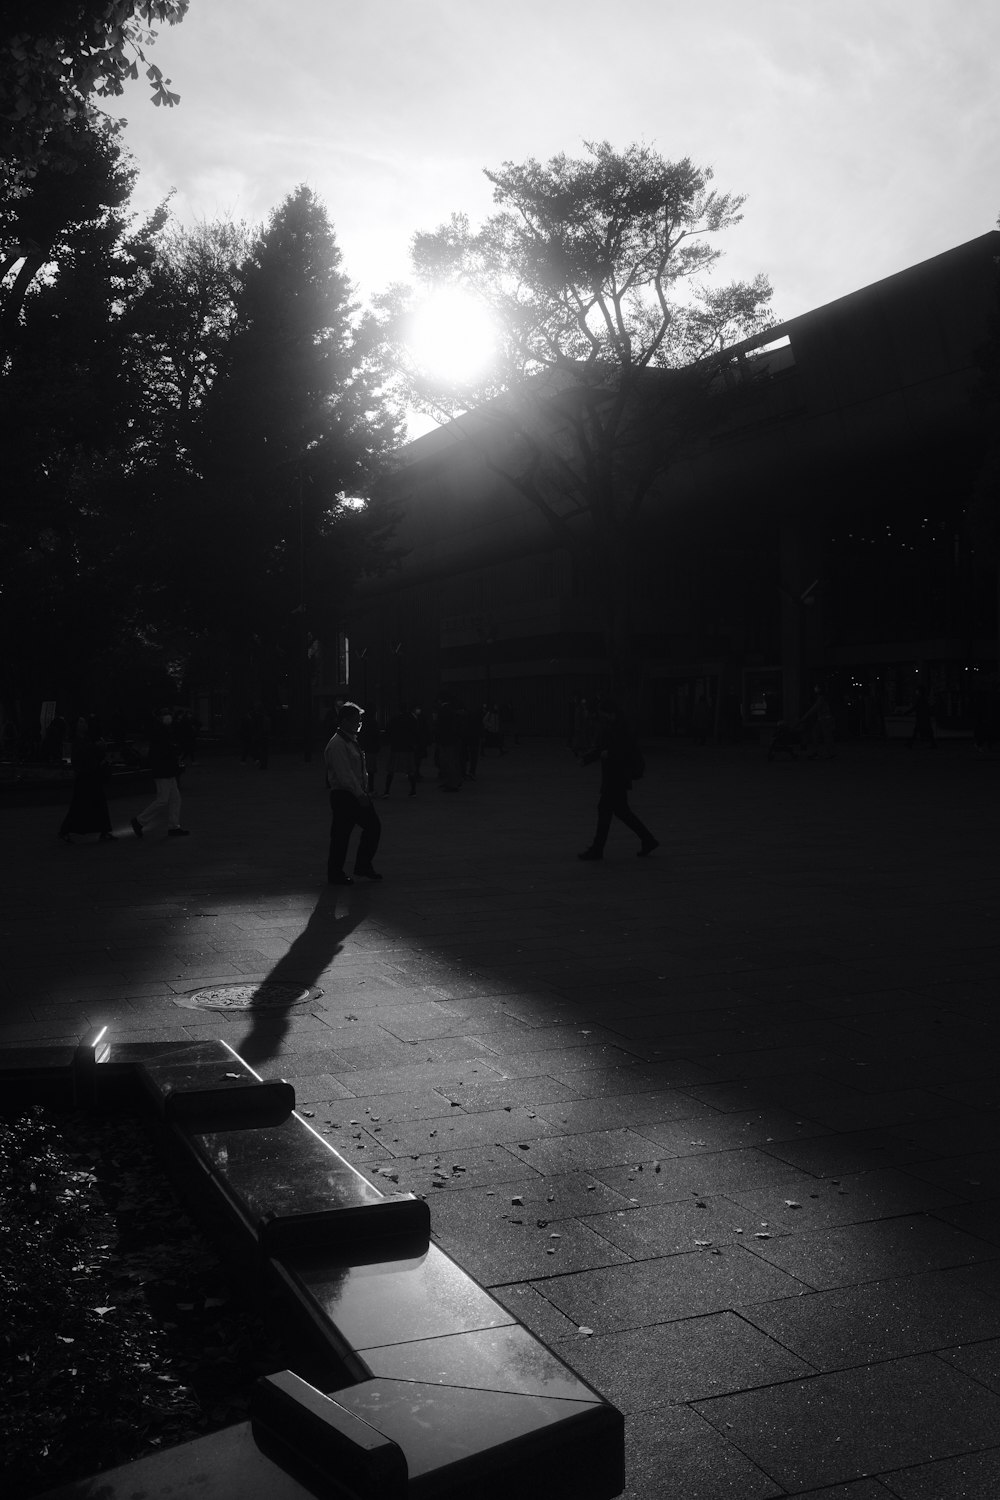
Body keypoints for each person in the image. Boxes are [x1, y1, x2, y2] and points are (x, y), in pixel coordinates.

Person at [577, 699, 658, 860]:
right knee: (621, 812)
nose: (602, 717)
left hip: (617, 777)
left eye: (604, 714)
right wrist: (587, 759)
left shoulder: (621, 728)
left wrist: (608, 754)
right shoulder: (614, 726)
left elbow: (623, 751)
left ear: (611, 713)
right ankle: (647, 840)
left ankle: (598, 849)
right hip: (615, 777)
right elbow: (603, 748)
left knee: (606, 810)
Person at [324, 702, 382, 884]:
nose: (358, 724)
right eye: (355, 721)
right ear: (344, 721)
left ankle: (349, 869)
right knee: (348, 834)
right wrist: (360, 794)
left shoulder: (349, 740)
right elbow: (344, 775)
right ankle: (347, 870)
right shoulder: (338, 744)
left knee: (345, 834)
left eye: (359, 721)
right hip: (346, 795)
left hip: (352, 794)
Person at [131, 710, 189, 838]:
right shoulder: (161, 732)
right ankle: (139, 821)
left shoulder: (162, 731)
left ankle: (173, 826)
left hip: (165, 770)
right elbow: (162, 752)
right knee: (163, 799)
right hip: (163, 770)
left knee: (174, 798)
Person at [58, 719, 115, 843]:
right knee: (79, 806)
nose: (84, 724)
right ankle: (65, 830)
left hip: (92, 775)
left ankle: (104, 831)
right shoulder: (76, 741)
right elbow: (78, 756)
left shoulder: (86, 739)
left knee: (99, 803)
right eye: (81, 722)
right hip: (84, 776)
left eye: (85, 722)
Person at [384, 704, 420, 797]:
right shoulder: (411, 719)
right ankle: (413, 790)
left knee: (391, 770)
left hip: (396, 747)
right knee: (410, 770)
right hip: (408, 747)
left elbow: (389, 731)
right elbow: (415, 732)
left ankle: (387, 791)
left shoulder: (395, 719)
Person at [799, 685, 836, 760]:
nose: (815, 689)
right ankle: (818, 752)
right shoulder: (820, 698)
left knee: (826, 736)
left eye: (817, 688)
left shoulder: (821, 699)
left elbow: (814, 709)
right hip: (822, 720)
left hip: (825, 720)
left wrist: (805, 717)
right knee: (816, 735)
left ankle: (829, 753)